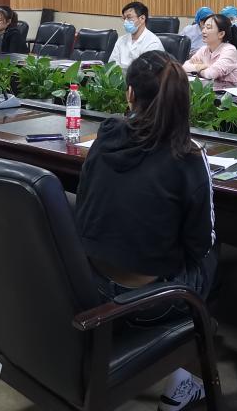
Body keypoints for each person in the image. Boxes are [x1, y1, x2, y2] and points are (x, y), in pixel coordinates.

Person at [75, 50, 216, 411]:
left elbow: (85, 202)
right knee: (214, 255)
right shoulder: (188, 156)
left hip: (88, 286)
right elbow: (200, 244)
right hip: (150, 304)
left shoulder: (105, 135)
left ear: (130, 95)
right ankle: (184, 380)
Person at [183, 13, 237, 90]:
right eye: (203, 27)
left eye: (208, 28)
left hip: (227, 94)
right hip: (207, 91)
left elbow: (211, 74)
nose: (203, 31)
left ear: (221, 34)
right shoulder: (203, 49)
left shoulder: (229, 50)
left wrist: (198, 69)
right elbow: (184, 67)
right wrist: (202, 67)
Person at [108, 1, 165, 69]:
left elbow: (148, 71)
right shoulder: (121, 40)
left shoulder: (153, 43)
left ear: (142, 18)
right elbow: (111, 66)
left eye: (129, 17)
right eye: (124, 18)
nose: (125, 22)